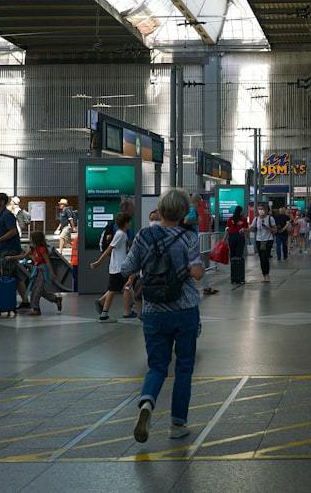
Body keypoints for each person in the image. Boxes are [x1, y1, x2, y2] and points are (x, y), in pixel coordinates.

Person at [120, 187, 204, 443]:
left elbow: (126, 269)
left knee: (157, 366)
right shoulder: (188, 237)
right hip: (185, 310)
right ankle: (177, 424)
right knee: (184, 368)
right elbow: (198, 273)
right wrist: (186, 270)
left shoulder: (145, 235)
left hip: (154, 311)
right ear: (183, 211)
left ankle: (147, 402)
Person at [91, 212, 135, 321]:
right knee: (114, 290)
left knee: (119, 288)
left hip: (120, 266)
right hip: (118, 267)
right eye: (129, 222)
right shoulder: (120, 234)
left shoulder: (122, 234)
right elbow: (109, 249)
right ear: (125, 223)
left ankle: (105, 308)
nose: (130, 224)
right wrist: (98, 262)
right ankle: (105, 313)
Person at [5, 230, 61, 315]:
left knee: (37, 290)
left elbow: (47, 261)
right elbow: (23, 256)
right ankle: (55, 299)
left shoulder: (42, 250)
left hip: (42, 271)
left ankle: (36, 308)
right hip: (36, 271)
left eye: (31, 238)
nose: (29, 239)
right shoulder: (33, 249)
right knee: (39, 290)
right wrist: (12, 257)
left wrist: (51, 272)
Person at [251, 204, 276, 282]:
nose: (260, 211)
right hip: (259, 240)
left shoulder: (270, 219)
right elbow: (252, 228)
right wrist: (246, 229)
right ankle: (264, 275)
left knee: (265, 257)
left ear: (265, 210)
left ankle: (267, 275)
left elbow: (275, 230)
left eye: (261, 209)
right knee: (261, 258)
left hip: (268, 240)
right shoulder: (256, 219)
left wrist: (269, 228)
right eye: (259, 209)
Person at [225, 206, 250, 284]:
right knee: (239, 256)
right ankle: (239, 276)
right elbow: (246, 230)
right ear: (241, 211)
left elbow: (227, 229)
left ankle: (233, 277)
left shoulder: (230, 219)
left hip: (231, 237)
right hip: (240, 237)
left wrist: (224, 239)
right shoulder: (243, 219)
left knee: (232, 256)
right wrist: (248, 239)